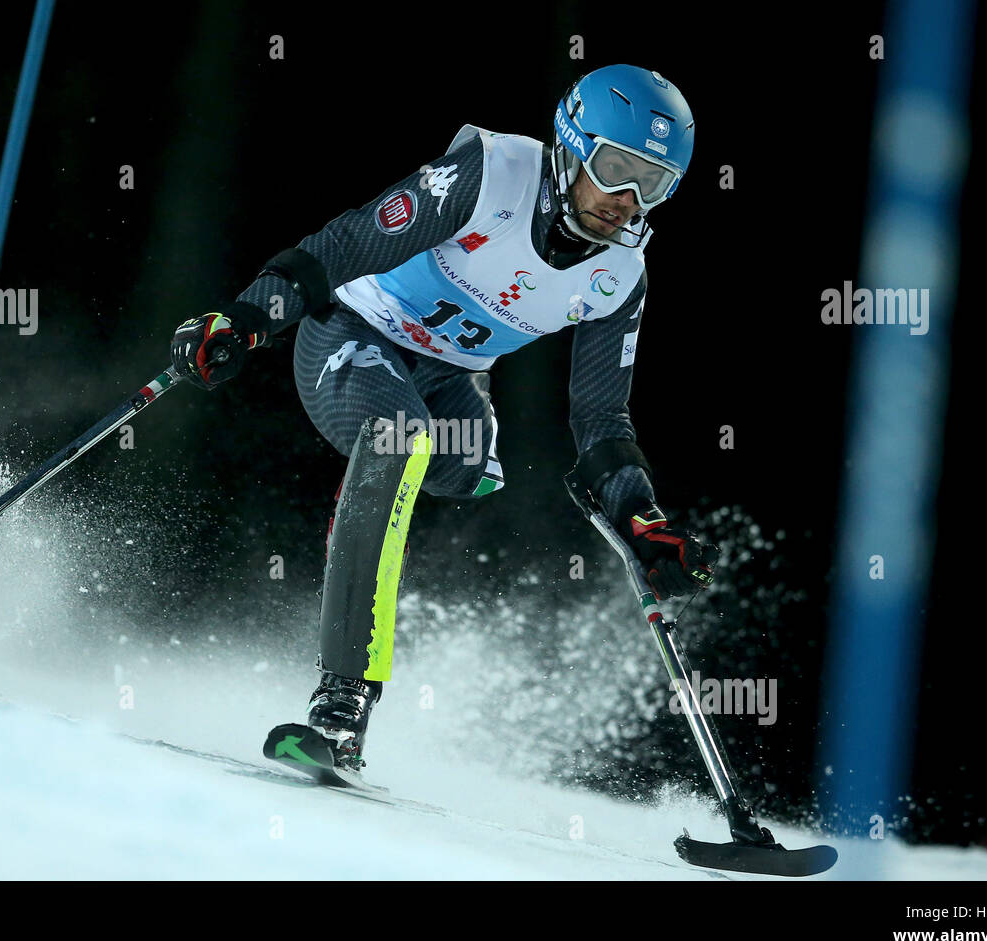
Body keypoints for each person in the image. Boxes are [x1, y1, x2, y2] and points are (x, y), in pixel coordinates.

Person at [170, 64, 719, 772]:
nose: (625, 199)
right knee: (401, 441)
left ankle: (377, 517)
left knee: (469, 472)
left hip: (449, 378)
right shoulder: (490, 176)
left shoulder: (620, 276)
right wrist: (247, 319)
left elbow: (601, 419)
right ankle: (343, 703)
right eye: (615, 168)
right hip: (355, 335)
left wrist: (641, 520)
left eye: (653, 183)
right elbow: (345, 245)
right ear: (572, 144)